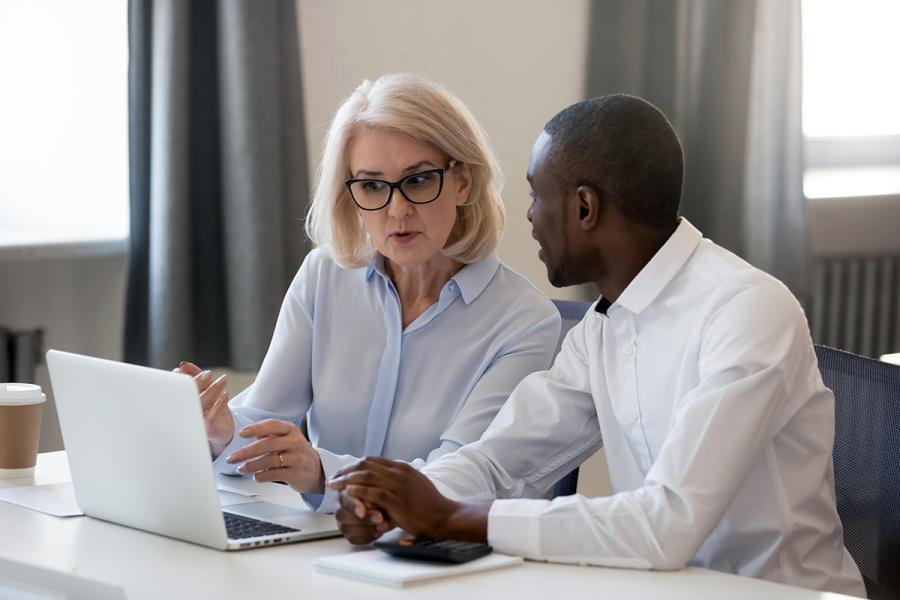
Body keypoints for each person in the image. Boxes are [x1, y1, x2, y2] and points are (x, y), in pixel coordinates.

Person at [328, 94, 866, 596]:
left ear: (584, 208)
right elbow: (501, 461)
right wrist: (398, 499)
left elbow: (666, 524)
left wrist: (447, 516)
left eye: (538, 195)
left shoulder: (745, 310)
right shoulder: (603, 326)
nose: (531, 216)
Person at [177, 73, 561, 513]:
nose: (397, 210)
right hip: (321, 542)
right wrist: (222, 431)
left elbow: (460, 480)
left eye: (418, 180)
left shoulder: (526, 321)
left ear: (463, 182)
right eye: (373, 186)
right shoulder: (324, 276)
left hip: (434, 558)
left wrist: (321, 472)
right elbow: (267, 417)